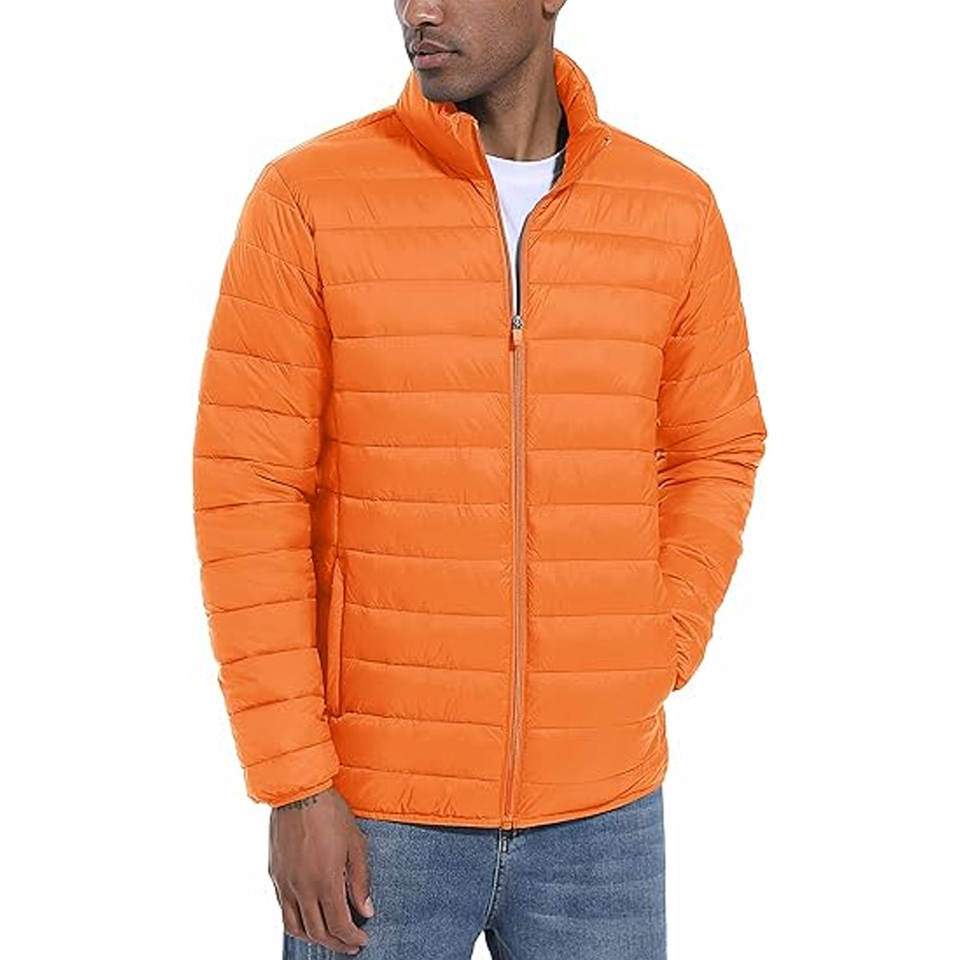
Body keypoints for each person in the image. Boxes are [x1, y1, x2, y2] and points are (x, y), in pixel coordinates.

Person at [192, 2, 767, 957]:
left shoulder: (672, 210)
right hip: (376, 813)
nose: (418, 9)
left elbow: (716, 446)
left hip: (604, 818)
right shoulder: (309, 198)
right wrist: (294, 784)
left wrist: (653, 640)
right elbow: (248, 494)